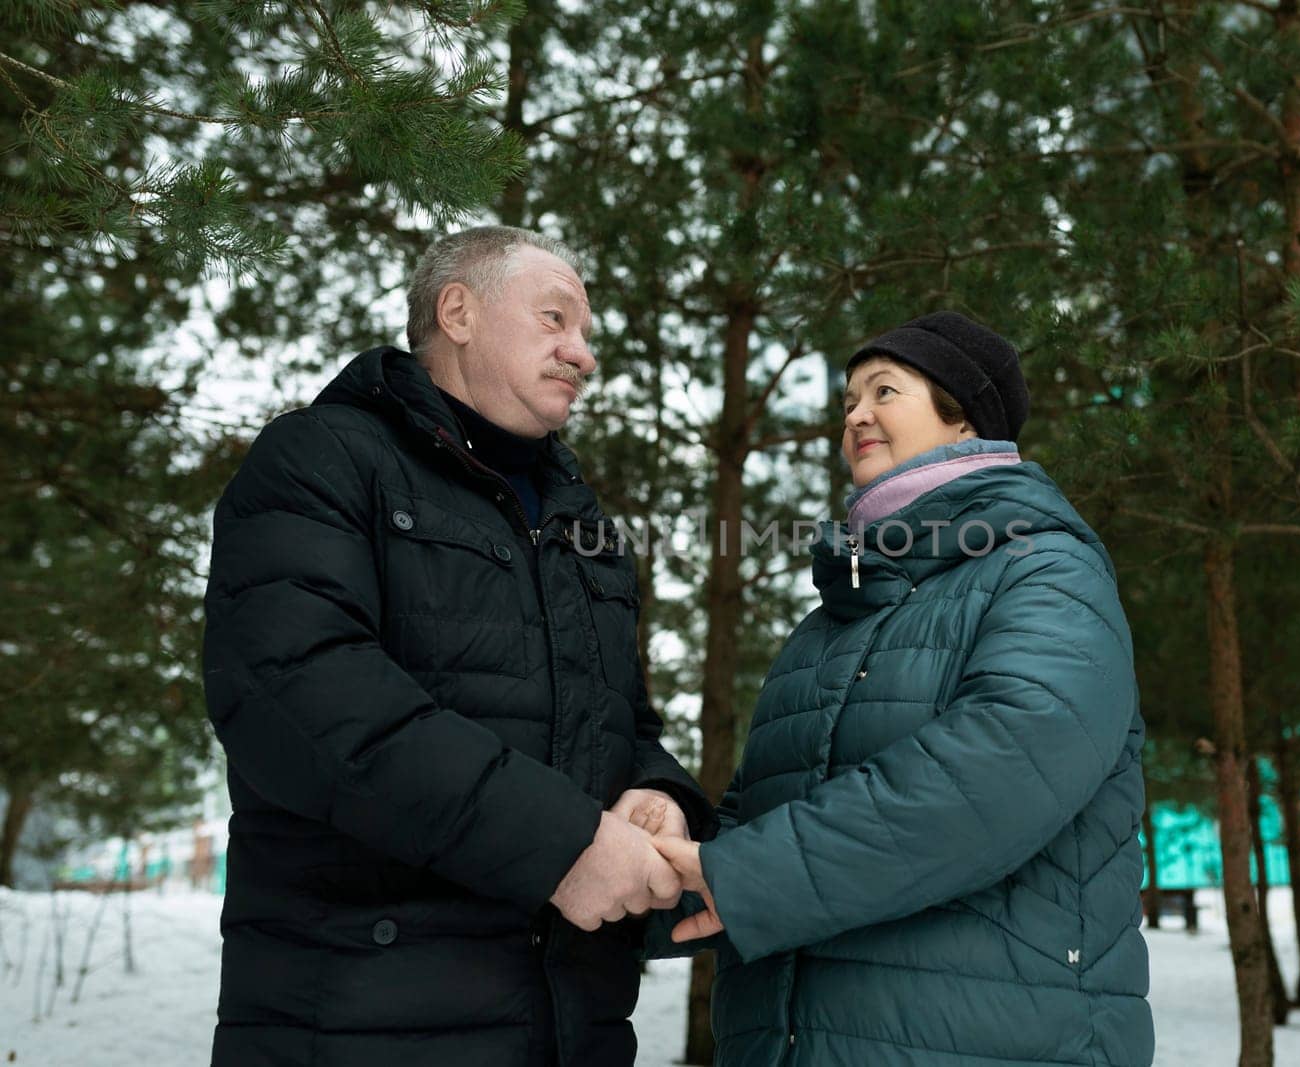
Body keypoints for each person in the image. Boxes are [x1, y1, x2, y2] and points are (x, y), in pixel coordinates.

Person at [202, 225, 714, 1067]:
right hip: (360, 1025)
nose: (582, 355)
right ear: (458, 311)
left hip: (571, 1028)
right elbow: (300, 696)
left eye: (587, 335)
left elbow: (626, 721)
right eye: (556, 320)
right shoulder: (322, 460)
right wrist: (563, 843)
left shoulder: (587, 529)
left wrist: (655, 794)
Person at [651, 311, 1153, 1066]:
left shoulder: (1047, 571)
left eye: (884, 390)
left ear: (965, 421)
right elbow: (759, 813)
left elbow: (995, 770)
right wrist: (652, 876)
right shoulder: (829, 625)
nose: (856, 414)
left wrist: (748, 877)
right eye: (848, 400)